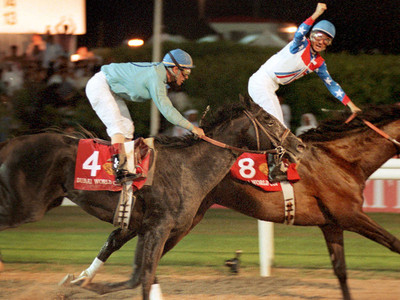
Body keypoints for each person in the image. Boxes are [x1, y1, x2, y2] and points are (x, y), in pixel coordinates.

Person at [86, 48, 205, 183]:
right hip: (100, 86)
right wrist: (192, 128)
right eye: (186, 72)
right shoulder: (156, 77)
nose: (187, 76)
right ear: (175, 69)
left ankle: (126, 168)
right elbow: (168, 111)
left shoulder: (159, 74)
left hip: (109, 87)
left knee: (127, 129)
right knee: (117, 128)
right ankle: (119, 170)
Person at [248, 3, 361, 126]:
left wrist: (352, 106)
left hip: (271, 87)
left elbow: (332, 85)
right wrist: (316, 14)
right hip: (261, 82)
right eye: (319, 36)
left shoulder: (319, 63)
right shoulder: (301, 43)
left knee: (278, 127)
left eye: (326, 40)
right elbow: (300, 32)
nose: (321, 42)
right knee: (279, 127)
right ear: (311, 35)